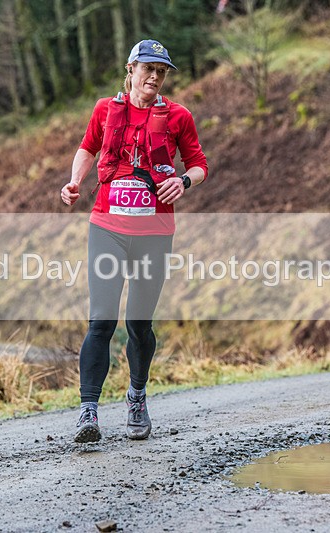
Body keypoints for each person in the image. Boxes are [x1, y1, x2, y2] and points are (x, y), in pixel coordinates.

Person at [61, 39, 208, 443]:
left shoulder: (178, 116)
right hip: (107, 227)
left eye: (161, 72)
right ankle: (88, 412)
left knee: (139, 324)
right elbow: (88, 147)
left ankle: (137, 395)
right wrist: (74, 182)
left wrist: (182, 181)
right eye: (148, 69)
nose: (155, 77)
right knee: (102, 319)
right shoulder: (105, 110)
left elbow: (198, 165)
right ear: (130, 69)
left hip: (154, 235)